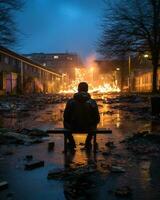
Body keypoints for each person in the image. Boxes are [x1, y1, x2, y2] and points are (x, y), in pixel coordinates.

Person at [63, 82, 100, 149]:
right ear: (87, 90)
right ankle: (88, 142)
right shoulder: (92, 102)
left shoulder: (70, 102)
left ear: (78, 89)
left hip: (73, 127)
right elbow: (97, 119)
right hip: (88, 128)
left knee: (65, 122)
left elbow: (65, 117)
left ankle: (72, 143)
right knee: (94, 123)